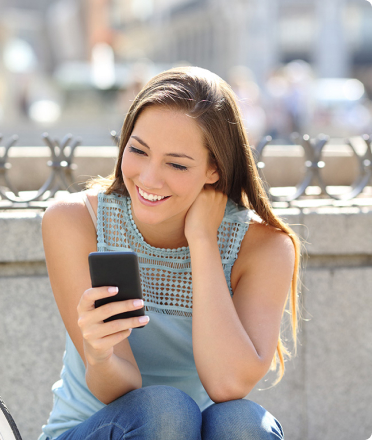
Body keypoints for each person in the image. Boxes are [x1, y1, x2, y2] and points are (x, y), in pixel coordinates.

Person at [39, 66, 300, 440]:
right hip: (96, 428)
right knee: (166, 412)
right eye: (138, 151)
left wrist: (203, 241)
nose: (148, 178)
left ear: (214, 169)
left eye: (176, 164)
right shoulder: (75, 220)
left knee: (243, 424)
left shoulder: (264, 247)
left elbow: (227, 386)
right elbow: (118, 387)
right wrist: (98, 354)